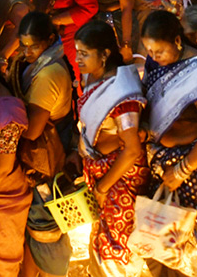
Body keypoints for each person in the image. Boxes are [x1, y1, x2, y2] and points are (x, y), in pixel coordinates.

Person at [140, 11, 197, 272]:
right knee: (163, 238)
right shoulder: (155, 62)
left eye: (159, 50)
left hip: (196, 170)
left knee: (195, 246)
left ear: (178, 42)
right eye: (148, 49)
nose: (153, 56)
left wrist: (182, 170)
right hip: (163, 164)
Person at [74, 21, 148, 277]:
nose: (77, 59)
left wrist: (104, 187)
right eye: (77, 52)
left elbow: (131, 150)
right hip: (101, 174)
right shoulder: (96, 79)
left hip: (119, 179)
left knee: (117, 245)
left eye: (84, 53)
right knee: (102, 239)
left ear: (104, 54)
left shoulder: (122, 93)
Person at [12, 12, 74, 277]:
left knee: (44, 227)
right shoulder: (30, 64)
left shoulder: (48, 74)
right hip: (38, 156)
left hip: (46, 159)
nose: (27, 52)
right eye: (23, 45)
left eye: (33, 46)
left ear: (49, 40)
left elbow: (33, 129)